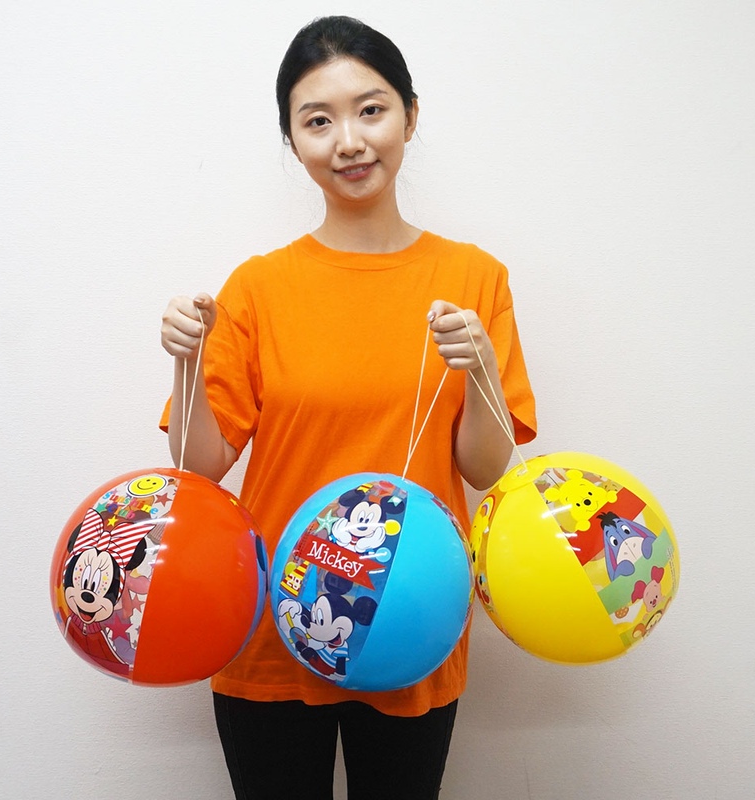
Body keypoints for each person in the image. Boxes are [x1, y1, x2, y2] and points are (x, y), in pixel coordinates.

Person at [160, 15, 536, 800]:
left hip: (412, 617)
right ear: (293, 141)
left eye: (371, 110)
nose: (350, 141)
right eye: (318, 121)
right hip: (273, 624)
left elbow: (485, 468)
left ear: (410, 115)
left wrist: (481, 370)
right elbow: (201, 466)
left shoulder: (475, 279)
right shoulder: (258, 287)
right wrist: (187, 363)